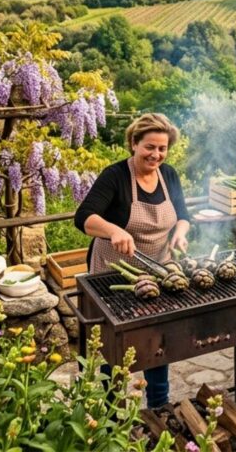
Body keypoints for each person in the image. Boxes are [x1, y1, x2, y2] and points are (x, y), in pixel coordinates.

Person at [75, 113, 191, 409]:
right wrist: (113, 230)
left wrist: (180, 232)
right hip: (112, 277)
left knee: (156, 341)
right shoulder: (115, 176)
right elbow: (84, 217)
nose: (156, 154)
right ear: (133, 143)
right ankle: (109, 411)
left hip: (156, 272)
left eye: (162, 148)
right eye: (149, 147)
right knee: (112, 348)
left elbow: (183, 216)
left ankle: (158, 406)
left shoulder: (170, 175)